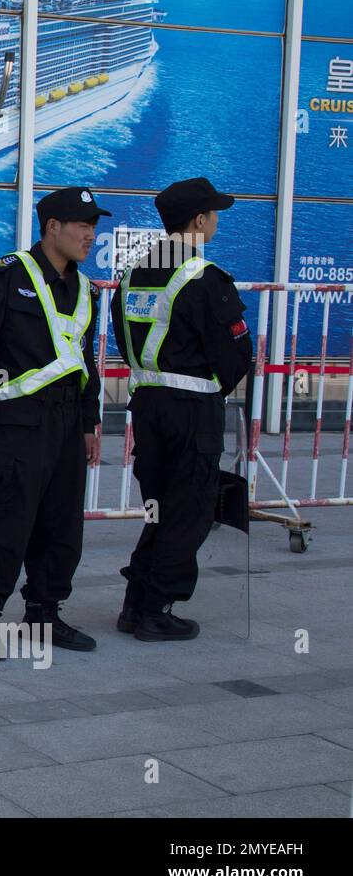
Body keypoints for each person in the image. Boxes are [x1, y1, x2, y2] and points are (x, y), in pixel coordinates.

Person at [0, 187, 107, 655]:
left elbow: (85, 361)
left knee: (62, 523)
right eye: (82, 226)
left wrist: (91, 423)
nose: (91, 235)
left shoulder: (86, 289)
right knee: (8, 520)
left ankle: (44, 614)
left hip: (69, 422)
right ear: (52, 227)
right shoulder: (8, 274)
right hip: (21, 422)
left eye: (94, 226)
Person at [113, 177, 253, 641]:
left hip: (148, 407)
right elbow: (235, 357)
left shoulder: (132, 275)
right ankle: (156, 608)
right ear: (198, 220)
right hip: (193, 409)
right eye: (213, 214)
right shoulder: (203, 278)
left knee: (158, 506)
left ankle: (135, 603)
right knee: (189, 510)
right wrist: (212, 385)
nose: (216, 221)